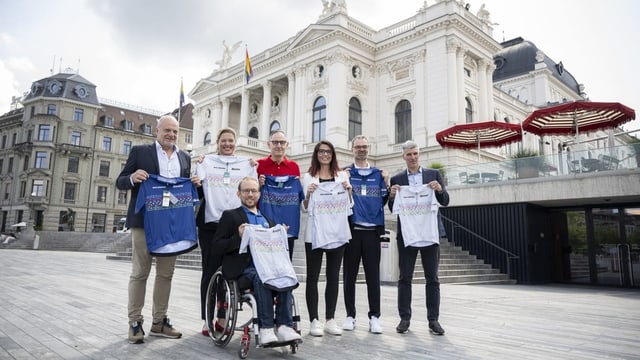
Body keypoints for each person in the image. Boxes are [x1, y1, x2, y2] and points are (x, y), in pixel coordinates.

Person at [116, 115, 199, 344]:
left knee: (166, 274)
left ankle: (159, 322)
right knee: (140, 272)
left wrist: (193, 184)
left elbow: (182, 191)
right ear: (157, 130)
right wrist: (132, 177)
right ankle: (135, 322)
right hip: (144, 220)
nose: (171, 135)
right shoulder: (140, 152)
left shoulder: (185, 157)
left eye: (175, 131)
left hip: (171, 225)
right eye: (167, 130)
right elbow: (120, 181)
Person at [214, 177, 302, 344]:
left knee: (284, 274)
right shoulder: (230, 216)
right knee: (262, 276)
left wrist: (280, 234)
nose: (250, 194)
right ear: (238, 193)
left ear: (259, 194)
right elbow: (216, 247)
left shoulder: (267, 221)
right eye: (246, 191)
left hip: (268, 268)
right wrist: (238, 238)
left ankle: (284, 326)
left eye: (254, 191)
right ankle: (266, 328)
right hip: (243, 271)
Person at [195, 127, 257, 336]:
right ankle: (206, 319)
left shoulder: (246, 165)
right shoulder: (206, 162)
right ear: (217, 143)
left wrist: (255, 171)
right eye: (224, 141)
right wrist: (198, 173)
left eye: (231, 141)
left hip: (232, 224)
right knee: (209, 271)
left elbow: (253, 189)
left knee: (228, 270)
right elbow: (199, 187)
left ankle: (222, 316)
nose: (227, 144)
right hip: (210, 224)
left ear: (235, 144)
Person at [388, 140, 450, 336]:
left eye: (415, 153)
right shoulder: (397, 179)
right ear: (403, 157)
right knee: (405, 278)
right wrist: (391, 195)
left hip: (430, 234)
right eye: (409, 154)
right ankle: (405, 319)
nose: (413, 157)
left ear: (419, 154)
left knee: (433, 279)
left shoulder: (433, 175)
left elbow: (445, 201)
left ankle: (433, 320)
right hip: (407, 235)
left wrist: (439, 189)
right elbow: (393, 209)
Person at [302, 140, 353, 337]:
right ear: (316, 154)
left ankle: (330, 319)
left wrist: (348, 190)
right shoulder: (308, 177)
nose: (325, 154)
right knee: (313, 277)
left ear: (333, 154)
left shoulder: (342, 175)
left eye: (328, 151)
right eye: (321, 151)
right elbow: (304, 207)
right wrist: (308, 194)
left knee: (333, 276)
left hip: (337, 233)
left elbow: (350, 205)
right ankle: (314, 320)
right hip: (314, 234)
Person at [341, 135, 389, 334]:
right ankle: (350, 316)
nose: (361, 149)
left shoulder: (379, 174)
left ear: (368, 149)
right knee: (349, 276)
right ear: (352, 149)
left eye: (364, 147)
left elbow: (385, 199)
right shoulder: (345, 174)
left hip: (372, 233)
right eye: (358, 147)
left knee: (373, 277)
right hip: (351, 232)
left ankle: (374, 317)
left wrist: (387, 180)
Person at [256, 130, 304, 259]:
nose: (279, 145)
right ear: (268, 144)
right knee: (265, 262)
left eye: (282, 142)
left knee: (286, 262)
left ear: (286, 144)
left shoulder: (294, 167)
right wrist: (258, 185)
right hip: (264, 225)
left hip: (287, 226)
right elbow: (250, 194)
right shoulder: (258, 165)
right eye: (275, 142)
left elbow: (299, 198)